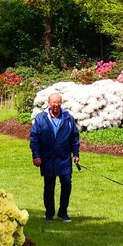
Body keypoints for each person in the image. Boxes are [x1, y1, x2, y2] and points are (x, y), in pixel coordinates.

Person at [29, 92, 80, 222]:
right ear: (49, 103)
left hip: (64, 158)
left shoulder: (68, 118)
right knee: (49, 186)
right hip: (47, 158)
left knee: (67, 184)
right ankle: (49, 214)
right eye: (54, 103)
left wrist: (76, 154)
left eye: (58, 103)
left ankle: (63, 212)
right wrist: (36, 155)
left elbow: (75, 137)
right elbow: (34, 138)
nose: (56, 105)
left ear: (61, 103)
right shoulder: (41, 118)